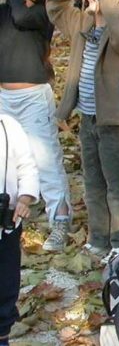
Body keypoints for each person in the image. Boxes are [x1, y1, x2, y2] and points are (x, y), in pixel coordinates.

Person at [46, 0, 119, 264]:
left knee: (118, 185)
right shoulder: (82, 23)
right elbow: (54, 8)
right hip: (88, 118)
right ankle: (99, 239)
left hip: (115, 120)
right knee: (93, 184)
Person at [0, 0, 71, 251]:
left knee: (45, 160)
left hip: (33, 98)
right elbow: (12, 10)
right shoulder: (7, 10)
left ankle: (60, 222)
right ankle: (13, 213)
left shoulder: (42, 14)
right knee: (6, 161)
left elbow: (21, 14)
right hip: (4, 98)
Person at [0, 114, 39, 346]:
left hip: (7, 225)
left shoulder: (8, 126)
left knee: (6, 284)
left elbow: (27, 167)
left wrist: (24, 199)